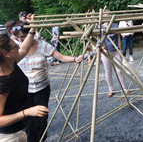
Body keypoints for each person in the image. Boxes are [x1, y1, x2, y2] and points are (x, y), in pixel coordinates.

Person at [12, 22, 83, 142]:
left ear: (31, 34)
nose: (21, 40)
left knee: (41, 116)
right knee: (28, 118)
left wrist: (75, 59)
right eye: (18, 38)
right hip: (24, 90)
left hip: (42, 88)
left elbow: (61, 57)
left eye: (23, 37)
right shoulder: (17, 48)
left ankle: (41, 139)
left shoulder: (42, 45)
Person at [0, 14, 50, 142]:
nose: (18, 46)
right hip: (11, 136)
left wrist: (32, 28)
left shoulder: (11, 63)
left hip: (23, 127)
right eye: (14, 45)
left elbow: (25, 48)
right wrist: (26, 112)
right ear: (6, 53)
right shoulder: (2, 83)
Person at [101, 11, 129, 98]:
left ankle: (124, 88)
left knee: (120, 70)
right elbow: (99, 39)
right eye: (105, 16)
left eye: (108, 16)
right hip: (106, 51)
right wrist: (102, 48)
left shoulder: (116, 26)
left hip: (116, 50)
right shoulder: (100, 27)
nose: (107, 17)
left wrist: (120, 49)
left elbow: (118, 37)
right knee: (108, 71)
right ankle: (111, 89)